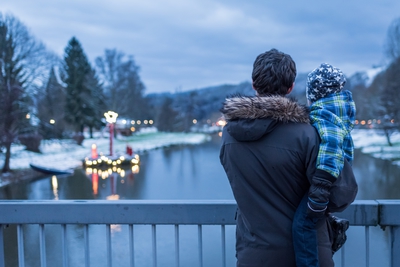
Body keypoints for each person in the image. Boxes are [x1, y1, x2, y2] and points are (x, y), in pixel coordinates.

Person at [219, 49, 356, 267]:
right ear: (291, 86)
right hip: (309, 254)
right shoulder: (309, 134)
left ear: (254, 84)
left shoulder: (229, 136)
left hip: (254, 256)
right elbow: (341, 195)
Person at [292, 63, 356, 267]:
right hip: (338, 179)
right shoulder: (340, 109)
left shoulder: (324, 114)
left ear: (315, 94)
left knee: (302, 225)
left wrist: (319, 194)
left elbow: (330, 150)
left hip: (327, 182)